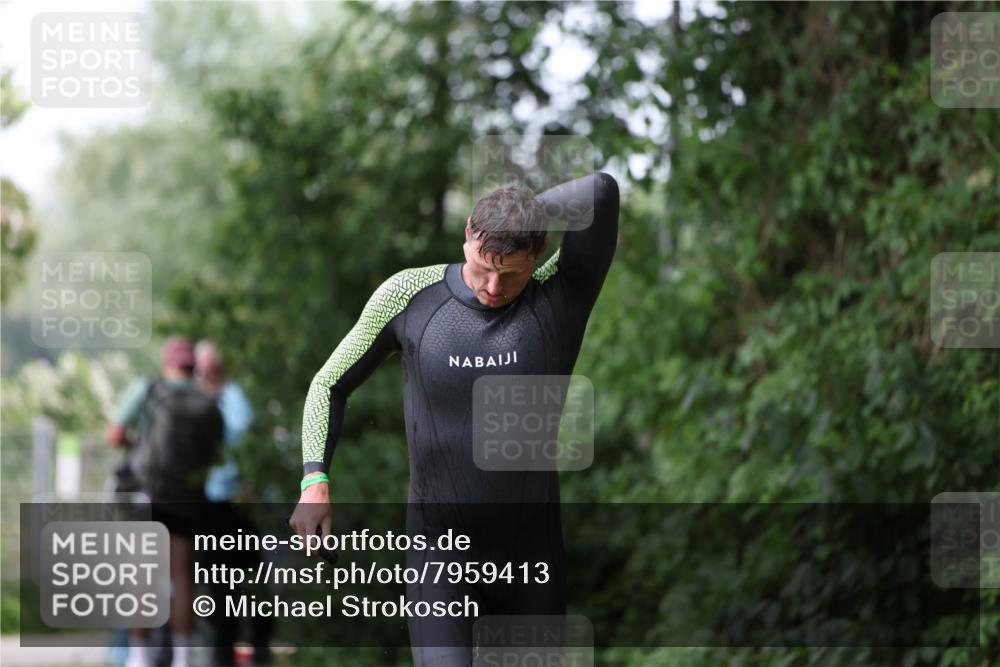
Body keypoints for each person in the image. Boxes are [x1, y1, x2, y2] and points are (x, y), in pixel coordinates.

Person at [289, 172, 620, 666]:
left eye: (511, 275)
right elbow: (328, 383)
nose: (492, 286)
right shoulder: (410, 295)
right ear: (468, 232)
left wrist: (522, 213)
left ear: (539, 254)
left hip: (532, 561)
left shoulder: (559, 297)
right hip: (439, 558)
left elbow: (601, 191)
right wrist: (314, 478)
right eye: (484, 266)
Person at [107, 336, 225, 667]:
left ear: (167, 362)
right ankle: (183, 657)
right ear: (192, 366)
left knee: (143, 575)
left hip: (149, 492)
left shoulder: (147, 390)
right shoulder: (208, 400)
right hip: (187, 497)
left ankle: (140, 656)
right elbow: (217, 453)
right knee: (182, 575)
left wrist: (139, 443)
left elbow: (114, 434)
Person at [195, 340, 273, 666]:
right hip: (211, 504)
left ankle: (254, 648)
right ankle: (225, 654)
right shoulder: (207, 401)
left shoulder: (233, 401)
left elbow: (246, 446)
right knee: (221, 588)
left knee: (249, 583)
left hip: (235, 504)